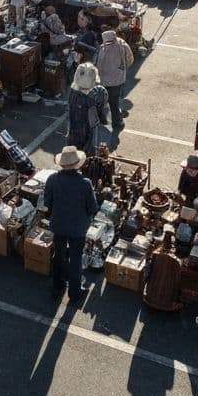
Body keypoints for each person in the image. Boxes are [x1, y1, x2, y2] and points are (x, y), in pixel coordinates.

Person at [43, 145, 98, 302]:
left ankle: (57, 287)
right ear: (77, 164)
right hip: (78, 228)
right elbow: (92, 207)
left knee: (59, 256)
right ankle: (74, 293)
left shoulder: (52, 180)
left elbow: (47, 202)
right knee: (75, 258)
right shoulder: (85, 183)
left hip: (59, 224)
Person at [94, 29, 134, 129]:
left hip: (105, 81)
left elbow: (97, 64)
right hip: (118, 80)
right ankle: (117, 124)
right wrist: (123, 69)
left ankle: (101, 119)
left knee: (102, 101)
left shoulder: (102, 49)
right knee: (114, 102)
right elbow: (130, 58)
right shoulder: (122, 44)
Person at [67, 62, 108, 155]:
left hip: (74, 128)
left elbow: (69, 110)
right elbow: (100, 114)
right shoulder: (96, 94)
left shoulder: (73, 92)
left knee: (73, 150)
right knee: (89, 151)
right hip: (88, 129)